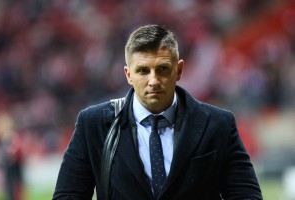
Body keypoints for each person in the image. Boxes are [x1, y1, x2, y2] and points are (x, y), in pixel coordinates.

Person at [53, 24, 262, 200]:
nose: (153, 81)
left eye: (162, 69)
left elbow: (246, 196)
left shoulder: (218, 125)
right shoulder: (94, 125)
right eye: (143, 71)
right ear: (128, 75)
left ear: (178, 70)